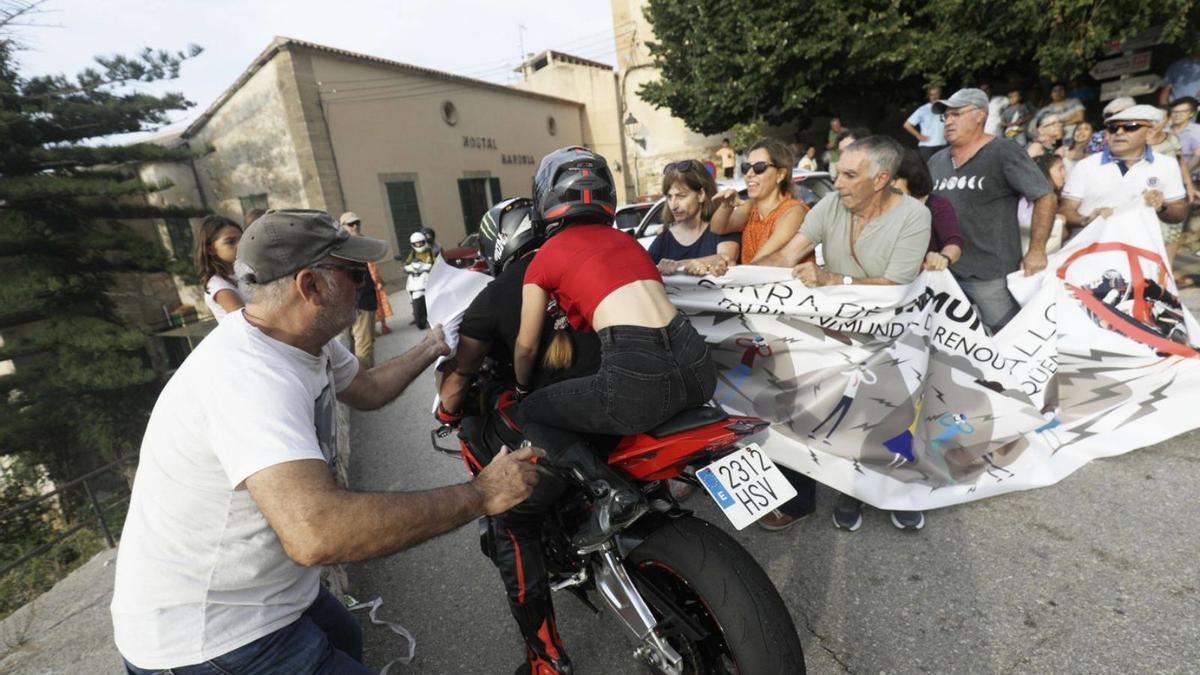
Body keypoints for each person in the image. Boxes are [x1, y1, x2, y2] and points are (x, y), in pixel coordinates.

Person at [111, 209, 541, 675]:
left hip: (267, 593)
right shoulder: (249, 379)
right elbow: (317, 533)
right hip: (211, 633)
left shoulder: (303, 338)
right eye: (353, 273)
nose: (364, 284)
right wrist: (482, 494)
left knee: (347, 636)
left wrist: (433, 345)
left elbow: (369, 389)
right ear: (310, 287)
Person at [514, 146, 717, 551]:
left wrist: (522, 387)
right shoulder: (629, 243)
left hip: (638, 375)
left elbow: (526, 344)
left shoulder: (544, 257)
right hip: (698, 365)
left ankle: (612, 493)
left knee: (531, 412)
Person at [438, 198, 601, 675]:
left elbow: (455, 388)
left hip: (567, 424)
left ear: (499, 243)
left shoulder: (492, 298)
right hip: (628, 400)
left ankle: (544, 660)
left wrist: (450, 405)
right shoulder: (592, 259)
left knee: (509, 518)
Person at [756, 136, 932, 531]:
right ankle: (854, 494)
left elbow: (896, 288)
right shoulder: (831, 205)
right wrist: (735, 275)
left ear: (881, 178)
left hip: (895, 339)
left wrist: (836, 279)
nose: (837, 183)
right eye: (838, 173)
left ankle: (902, 494)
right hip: (838, 339)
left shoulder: (915, 217)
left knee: (895, 420)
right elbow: (785, 257)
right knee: (850, 420)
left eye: (850, 175)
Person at [929, 88, 1056, 334]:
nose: (949, 121)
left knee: (1009, 338)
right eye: (946, 116)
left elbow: (1045, 196)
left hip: (992, 274)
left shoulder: (1003, 151)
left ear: (979, 116)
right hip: (945, 272)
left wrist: (1037, 250)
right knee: (952, 340)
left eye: (956, 114)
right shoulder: (937, 161)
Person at [1059, 105, 1188, 252]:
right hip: (1086, 254)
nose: (1119, 132)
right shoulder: (1085, 165)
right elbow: (1065, 210)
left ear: (1149, 132)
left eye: (1130, 127)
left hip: (1138, 256)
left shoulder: (1167, 165)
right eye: (1113, 128)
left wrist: (1162, 206)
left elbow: (1179, 213)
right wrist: (1086, 220)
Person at [709, 138, 809, 263]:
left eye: (759, 167)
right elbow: (717, 228)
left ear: (780, 174)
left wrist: (732, 272)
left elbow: (761, 261)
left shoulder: (794, 211)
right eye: (746, 167)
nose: (749, 173)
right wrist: (726, 205)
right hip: (751, 280)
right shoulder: (751, 206)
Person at [649, 159, 741, 276]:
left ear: (701, 195)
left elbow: (727, 258)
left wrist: (679, 265)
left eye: (681, 196)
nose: (673, 205)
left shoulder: (723, 227)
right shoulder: (663, 239)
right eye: (669, 197)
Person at [893, 148, 965, 271]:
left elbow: (953, 241)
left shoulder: (937, 205)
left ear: (911, 176)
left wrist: (943, 258)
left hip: (923, 282)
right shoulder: (878, 204)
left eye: (894, 178)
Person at [339, 212, 379, 368]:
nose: (355, 226)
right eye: (351, 224)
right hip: (358, 301)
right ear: (342, 227)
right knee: (363, 346)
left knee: (364, 343)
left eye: (357, 223)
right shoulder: (343, 248)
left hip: (362, 300)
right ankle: (366, 385)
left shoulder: (357, 244)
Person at [194, 215, 244, 322]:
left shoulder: (243, 272)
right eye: (230, 242)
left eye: (242, 239)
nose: (240, 245)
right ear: (211, 249)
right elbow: (249, 321)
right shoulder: (218, 286)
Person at [1020, 154, 1067, 253]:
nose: (1064, 174)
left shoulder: (1057, 198)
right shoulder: (1025, 202)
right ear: (1044, 173)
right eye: (1060, 169)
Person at [903, 85, 948, 161]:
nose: (934, 97)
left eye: (936, 94)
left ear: (940, 95)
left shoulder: (945, 108)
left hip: (942, 146)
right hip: (927, 147)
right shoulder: (923, 110)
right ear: (928, 96)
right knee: (928, 171)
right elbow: (907, 125)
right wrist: (918, 135)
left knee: (942, 170)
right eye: (931, 95)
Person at [402, 231, 435, 329]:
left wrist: (434, 264)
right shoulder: (413, 253)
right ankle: (416, 314)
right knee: (409, 287)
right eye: (416, 243)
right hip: (417, 274)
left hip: (429, 275)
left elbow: (436, 260)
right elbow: (407, 262)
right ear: (413, 244)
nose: (419, 245)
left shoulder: (429, 251)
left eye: (420, 242)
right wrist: (404, 267)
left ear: (424, 242)